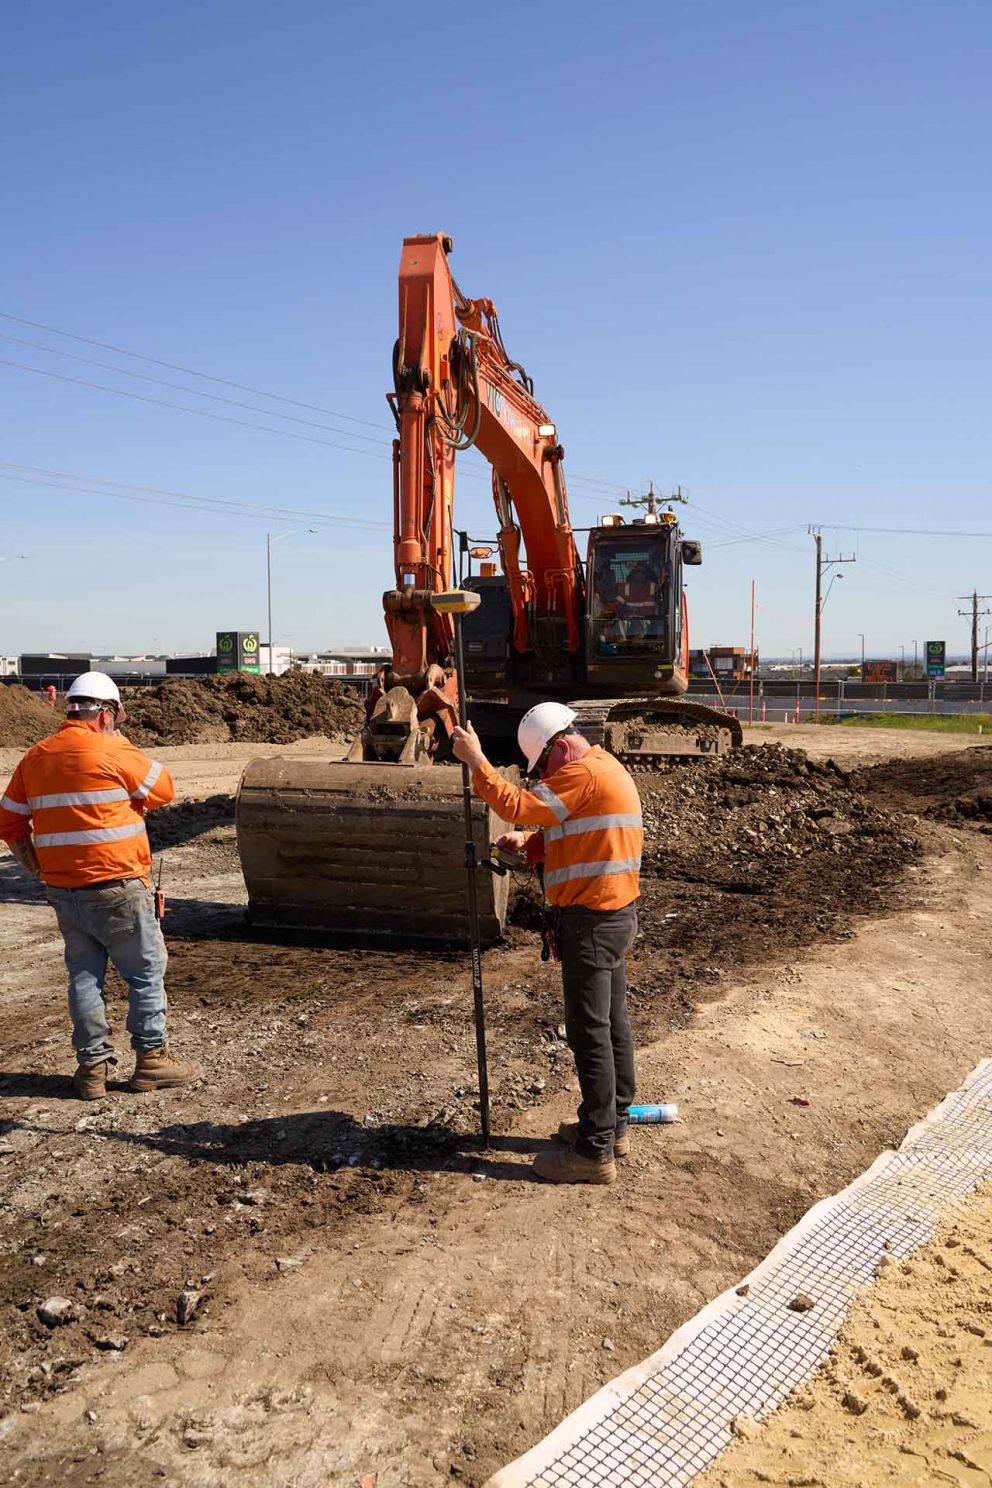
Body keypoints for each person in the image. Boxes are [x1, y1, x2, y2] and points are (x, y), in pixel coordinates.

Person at [452, 702, 642, 1186]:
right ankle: (612, 1125)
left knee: (589, 1033)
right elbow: (580, 830)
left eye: (540, 768)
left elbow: (518, 804)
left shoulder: (582, 772)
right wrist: (533, 845)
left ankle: (595, 1152)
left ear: (559, 745)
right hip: (614, 915)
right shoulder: (603, 769)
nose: (542, 778)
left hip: (591, 922)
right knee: (612, 1022)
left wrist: (477, 761)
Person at [0, 671, 196, 1100]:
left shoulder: (36, 757)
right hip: (118, 886)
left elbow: (9, 822)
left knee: (84, 978)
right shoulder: (112, 748)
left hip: (64, 892)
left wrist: (37, 868)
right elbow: (163, 789)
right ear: (105, 714)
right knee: (144, 972)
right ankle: (151, 1062)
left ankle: (91, 1071)